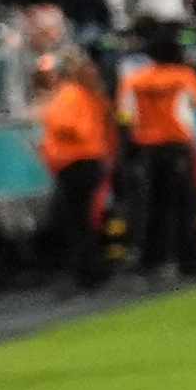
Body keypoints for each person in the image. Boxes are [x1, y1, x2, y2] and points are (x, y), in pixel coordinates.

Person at [117, 29, 196, 280]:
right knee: (184, 206)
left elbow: (125, 115)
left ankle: (150, 261)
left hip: (147, 149)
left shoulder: (133, 79)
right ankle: (189, 262)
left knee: (151, 207)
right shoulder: (184, 76)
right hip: (177, 146)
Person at [35, 48, 116, 292]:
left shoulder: (70, 94)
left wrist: (46, 116)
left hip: (76, 162)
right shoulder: (83, 93)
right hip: (84, 161)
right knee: (81, 221)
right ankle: (93, 270)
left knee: (75, 222)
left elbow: (73, 127)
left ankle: (88, 274)